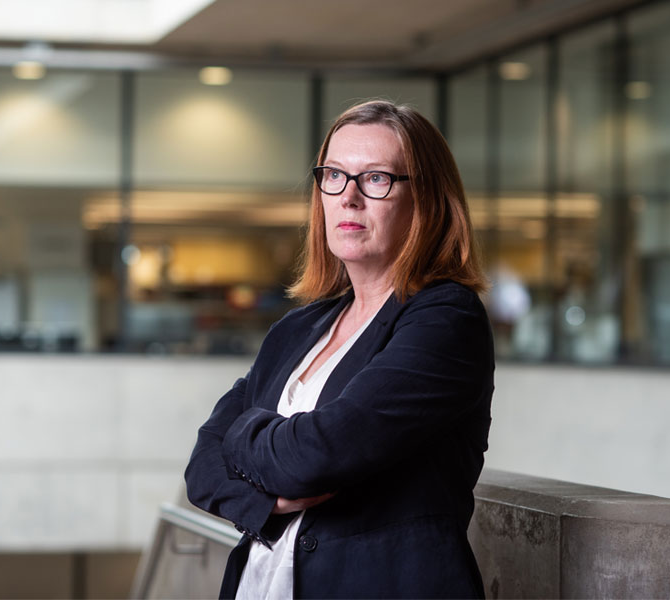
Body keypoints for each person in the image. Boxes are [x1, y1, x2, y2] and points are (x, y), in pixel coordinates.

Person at [185, 99, 494, 599]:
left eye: (376, 179)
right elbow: (201, 466)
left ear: (428, 200)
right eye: (334, 175)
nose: (348, 198)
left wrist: (240, 434)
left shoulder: (445, 319)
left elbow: (314, 456)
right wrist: (267, 497)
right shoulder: (299, 328)